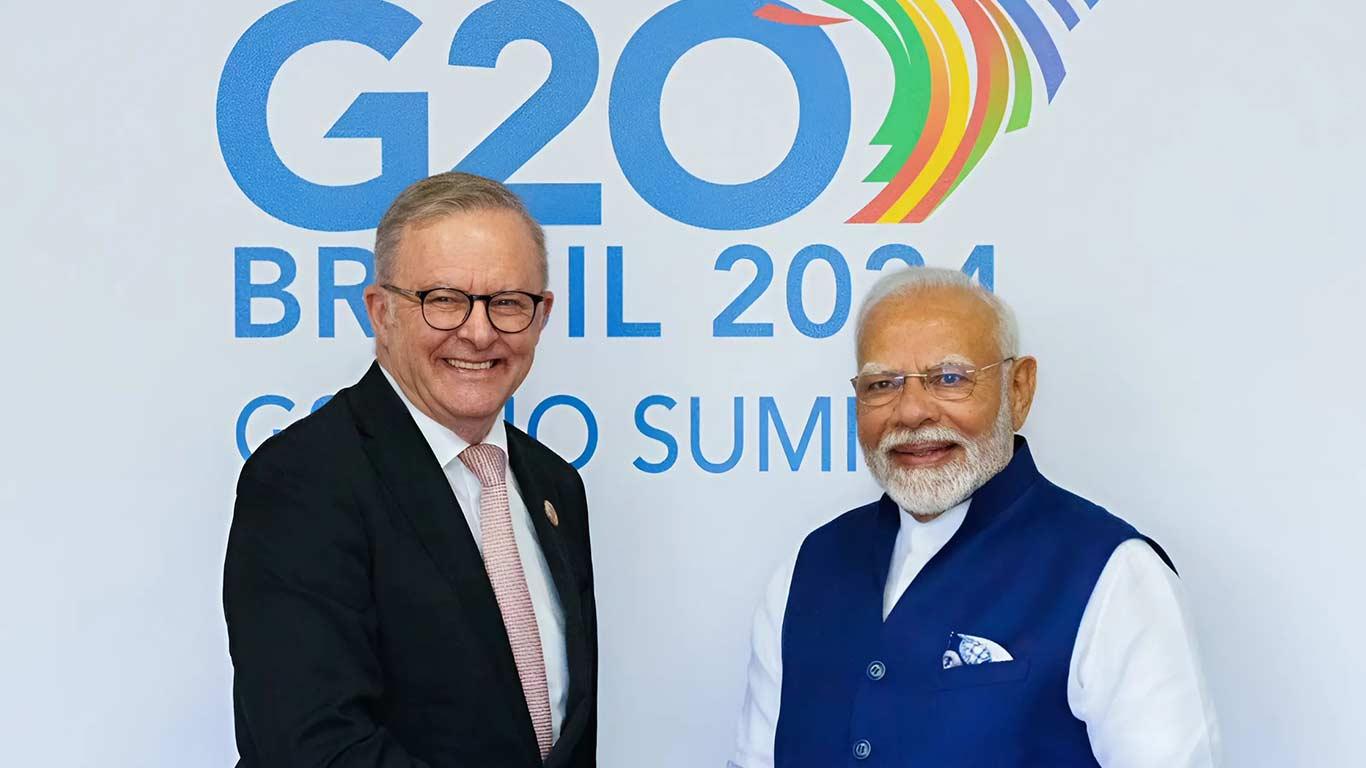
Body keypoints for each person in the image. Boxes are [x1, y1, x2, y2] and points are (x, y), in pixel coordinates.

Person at [730, 267, 1219, 767]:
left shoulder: (1114, 574)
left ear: (1019, 390)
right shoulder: (806, 569)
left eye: (949, 378)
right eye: (882, 384)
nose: (911, 412)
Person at [224, 172, 597, 767]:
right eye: (443, 300)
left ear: (541, 314)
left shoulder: (556, 486)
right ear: (382, 312)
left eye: (507, 302)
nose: (479, 332)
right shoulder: (305, 480)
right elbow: (315, 747)